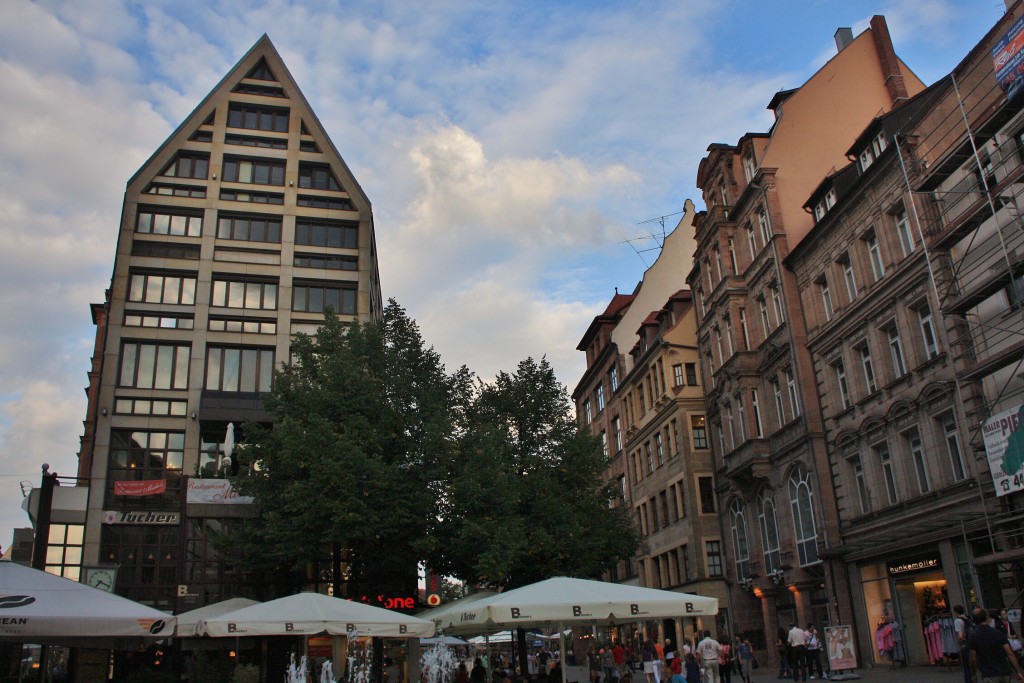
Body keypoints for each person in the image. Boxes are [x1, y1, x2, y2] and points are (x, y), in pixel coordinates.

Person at [967, 606, 1024, 683]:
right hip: (1004, 672)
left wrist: (973, 674)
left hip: (989, 674)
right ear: (986, 618)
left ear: (974, 620)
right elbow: (1010, 653)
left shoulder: (973, 636)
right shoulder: (998, 633)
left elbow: (973, 658)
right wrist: (1018, 671)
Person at [955, 604, 972, 683]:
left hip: (965, 644)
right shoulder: (967, 618)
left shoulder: (958, 621)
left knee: (966, 666)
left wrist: (960, 643)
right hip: (972, 643)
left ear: (956, 612)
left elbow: (960, 635)